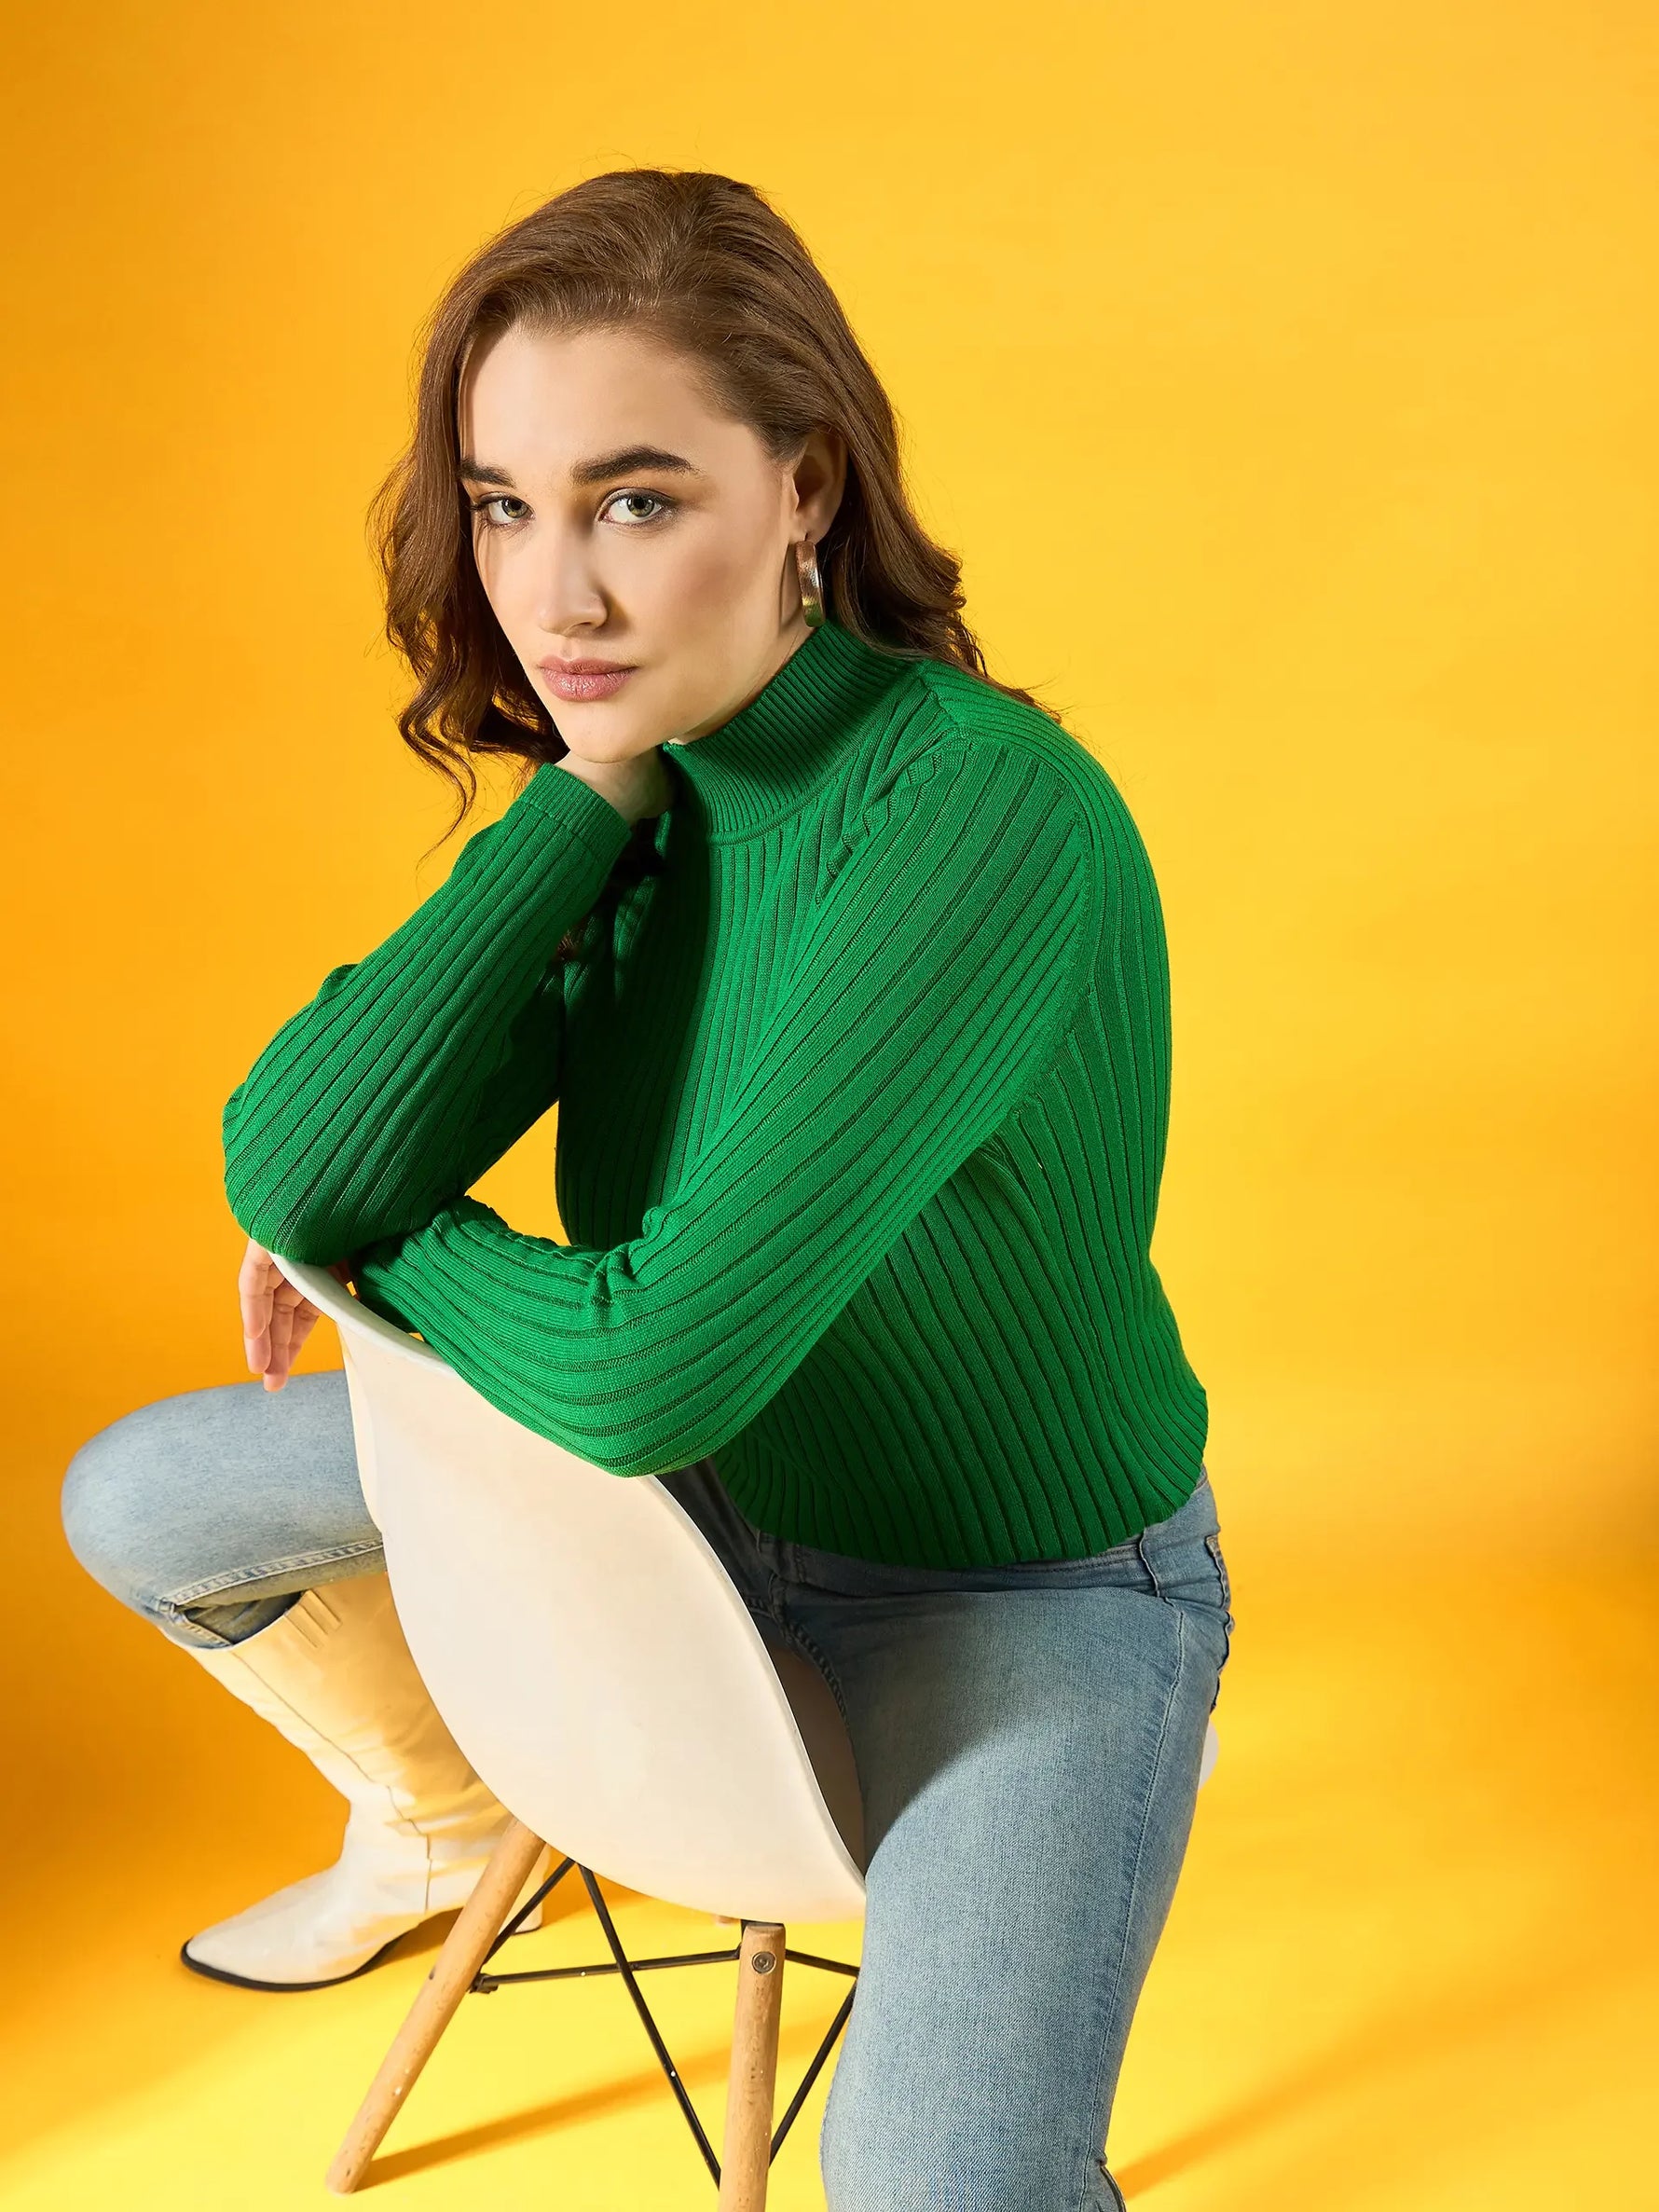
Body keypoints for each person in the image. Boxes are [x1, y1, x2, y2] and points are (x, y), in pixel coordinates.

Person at [61, 167, 1235, 2208]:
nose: (553, 598)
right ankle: (432, 1820)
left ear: (801, 488)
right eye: (504, 506)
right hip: (687, 1517)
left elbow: (646, 1364)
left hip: (1011, 1587)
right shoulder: (645, 770)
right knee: (144, 1498)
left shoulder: (972, 813)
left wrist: (405, 1262)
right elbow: (291, 1155)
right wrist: (583, 792)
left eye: (632, 500)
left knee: (937, 2191)